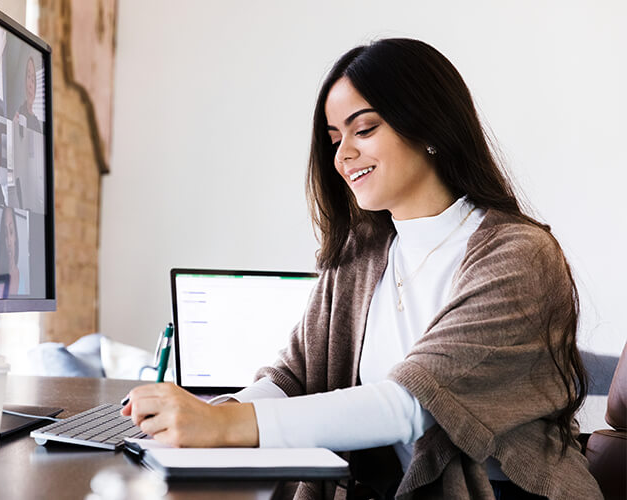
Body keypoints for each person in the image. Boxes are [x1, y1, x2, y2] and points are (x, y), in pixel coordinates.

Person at [121, 39, 603, 500]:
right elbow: (294, 377)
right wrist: (213, 412)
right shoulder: (362, 251)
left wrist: (226, 427)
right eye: (335, 138)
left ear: (429, 127)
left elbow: (412, 403)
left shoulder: (519, 254)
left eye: (364, 129)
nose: (343, 154)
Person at [0, 207, 22, 295]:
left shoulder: (19, 273)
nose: (8, 241)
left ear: (15, 236)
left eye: (11, 231)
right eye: (5, 233)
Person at [13, 56, 41, 132]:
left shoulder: (36, 122)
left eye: (33, 80)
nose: (30, 85)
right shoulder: (18, 113)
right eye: (28, 77)